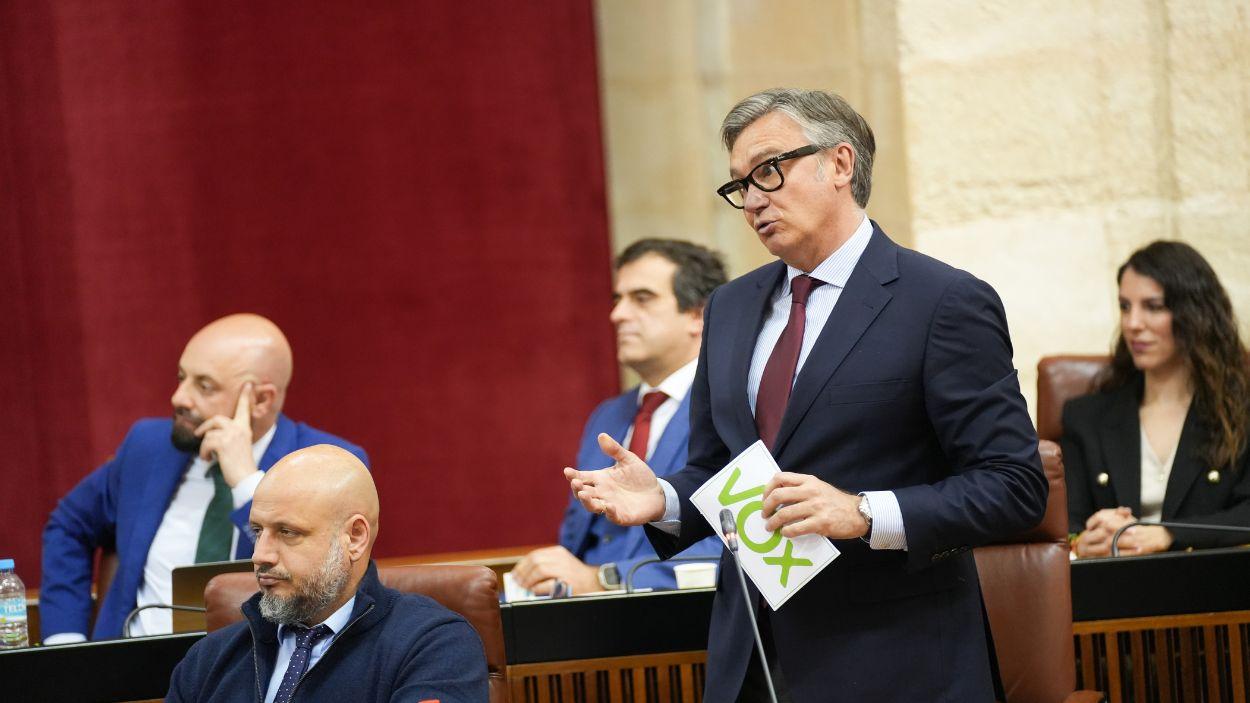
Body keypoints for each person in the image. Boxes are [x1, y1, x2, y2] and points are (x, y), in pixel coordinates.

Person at [563, 88, 1048, 702]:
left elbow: (1014, 485)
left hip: (897, 660)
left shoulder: (942, 302)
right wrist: (660, 499)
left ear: (840, 164)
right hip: (754, 661)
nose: (754, 200)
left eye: (770, 171)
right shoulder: (733, 307)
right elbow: (721, 471)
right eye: (740, 185)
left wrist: (865, 513)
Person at [41, 314, 368, 642]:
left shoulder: (329, 464)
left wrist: (246, 482)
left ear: (261, 400)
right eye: (181, 377)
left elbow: (321, 576)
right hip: (129, 669)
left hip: (249, 672)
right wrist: (64, 640)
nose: (179, 397)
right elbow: (69, 526)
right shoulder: (149, 447)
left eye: (204, 386)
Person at [166, 445, 488, 702]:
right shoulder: (209, 660)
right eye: (257, 532)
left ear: (355, 538)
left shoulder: (433, 646)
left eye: (288, 532)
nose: (260, 555)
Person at [512, 240, 726, 595]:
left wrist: (602, 580)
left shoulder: (732, 407)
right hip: (587, 620)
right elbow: (576, 541)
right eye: (617, 299)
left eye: (641, 298)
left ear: (697, 315)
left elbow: (733, 549)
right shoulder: (607, 416)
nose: (618, 315)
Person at [1063, 241, 1250, 557]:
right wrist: (1083, 542)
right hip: (1114, 589)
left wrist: (1168, 534)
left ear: (1195, 314)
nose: (1133, 323)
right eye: (1125, 306)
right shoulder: (1085, 417)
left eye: (1153, 306)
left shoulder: (1240, 412)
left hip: (1214, 589)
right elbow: (1064, 526)